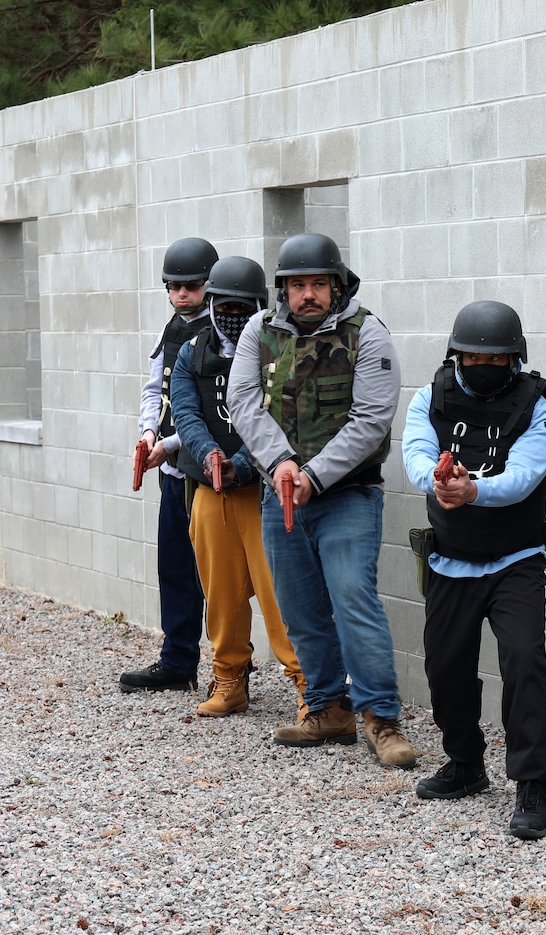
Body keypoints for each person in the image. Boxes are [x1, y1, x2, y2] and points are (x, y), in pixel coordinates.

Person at [227, 232, 417, 768]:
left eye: (318, 284)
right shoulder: (256, 331)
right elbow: (241, 401)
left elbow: (371, 419)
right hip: (280, 492)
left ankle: (381, 718)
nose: (307, 294)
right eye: (296, 285)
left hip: (348, 494)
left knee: (353, 598)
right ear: (282, 289)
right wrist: (283, 465)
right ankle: (328, 708)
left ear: (337, 286)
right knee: (298, 607)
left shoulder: (368, 334)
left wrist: (313, 474)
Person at [402, 301, 546, 840]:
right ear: (457, 356)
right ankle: (466, 764)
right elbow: (417, 455)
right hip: (450, 559)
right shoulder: (431, 396)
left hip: (516, 558)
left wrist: (474, 490)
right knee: (445, 667)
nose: (484, 363)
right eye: (473, 355)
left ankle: (532, 784)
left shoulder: (536, 404)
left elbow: (525, 475)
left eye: (496, 357)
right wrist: (438, 482)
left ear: (514, 359)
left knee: (523, 664)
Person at [169, 255, 309, 722]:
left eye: (241, 306)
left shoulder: (277, 349)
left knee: (279, 592)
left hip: (268, 485)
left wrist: (244, 466)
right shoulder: (192, 351)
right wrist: (210, 455)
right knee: (220, 591)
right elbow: (185, 413)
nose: (230, 314)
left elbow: (284, 418)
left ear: (260, 307)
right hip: (211, 487)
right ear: (209, 304)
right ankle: (229, 677)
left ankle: (310, 684)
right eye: (221, 304)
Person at [120, 237, 218, 695]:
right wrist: (147, 434)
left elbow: (217, 410)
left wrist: (173, 443)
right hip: (172, 468)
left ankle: (231, 667)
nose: (182, 295)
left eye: (192, 286)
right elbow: (153, 388)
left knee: (219, 574)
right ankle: (178, 661)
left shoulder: (223, 331)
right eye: (174, 287)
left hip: (209, 471)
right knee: (175, 567)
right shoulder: (172, 328)